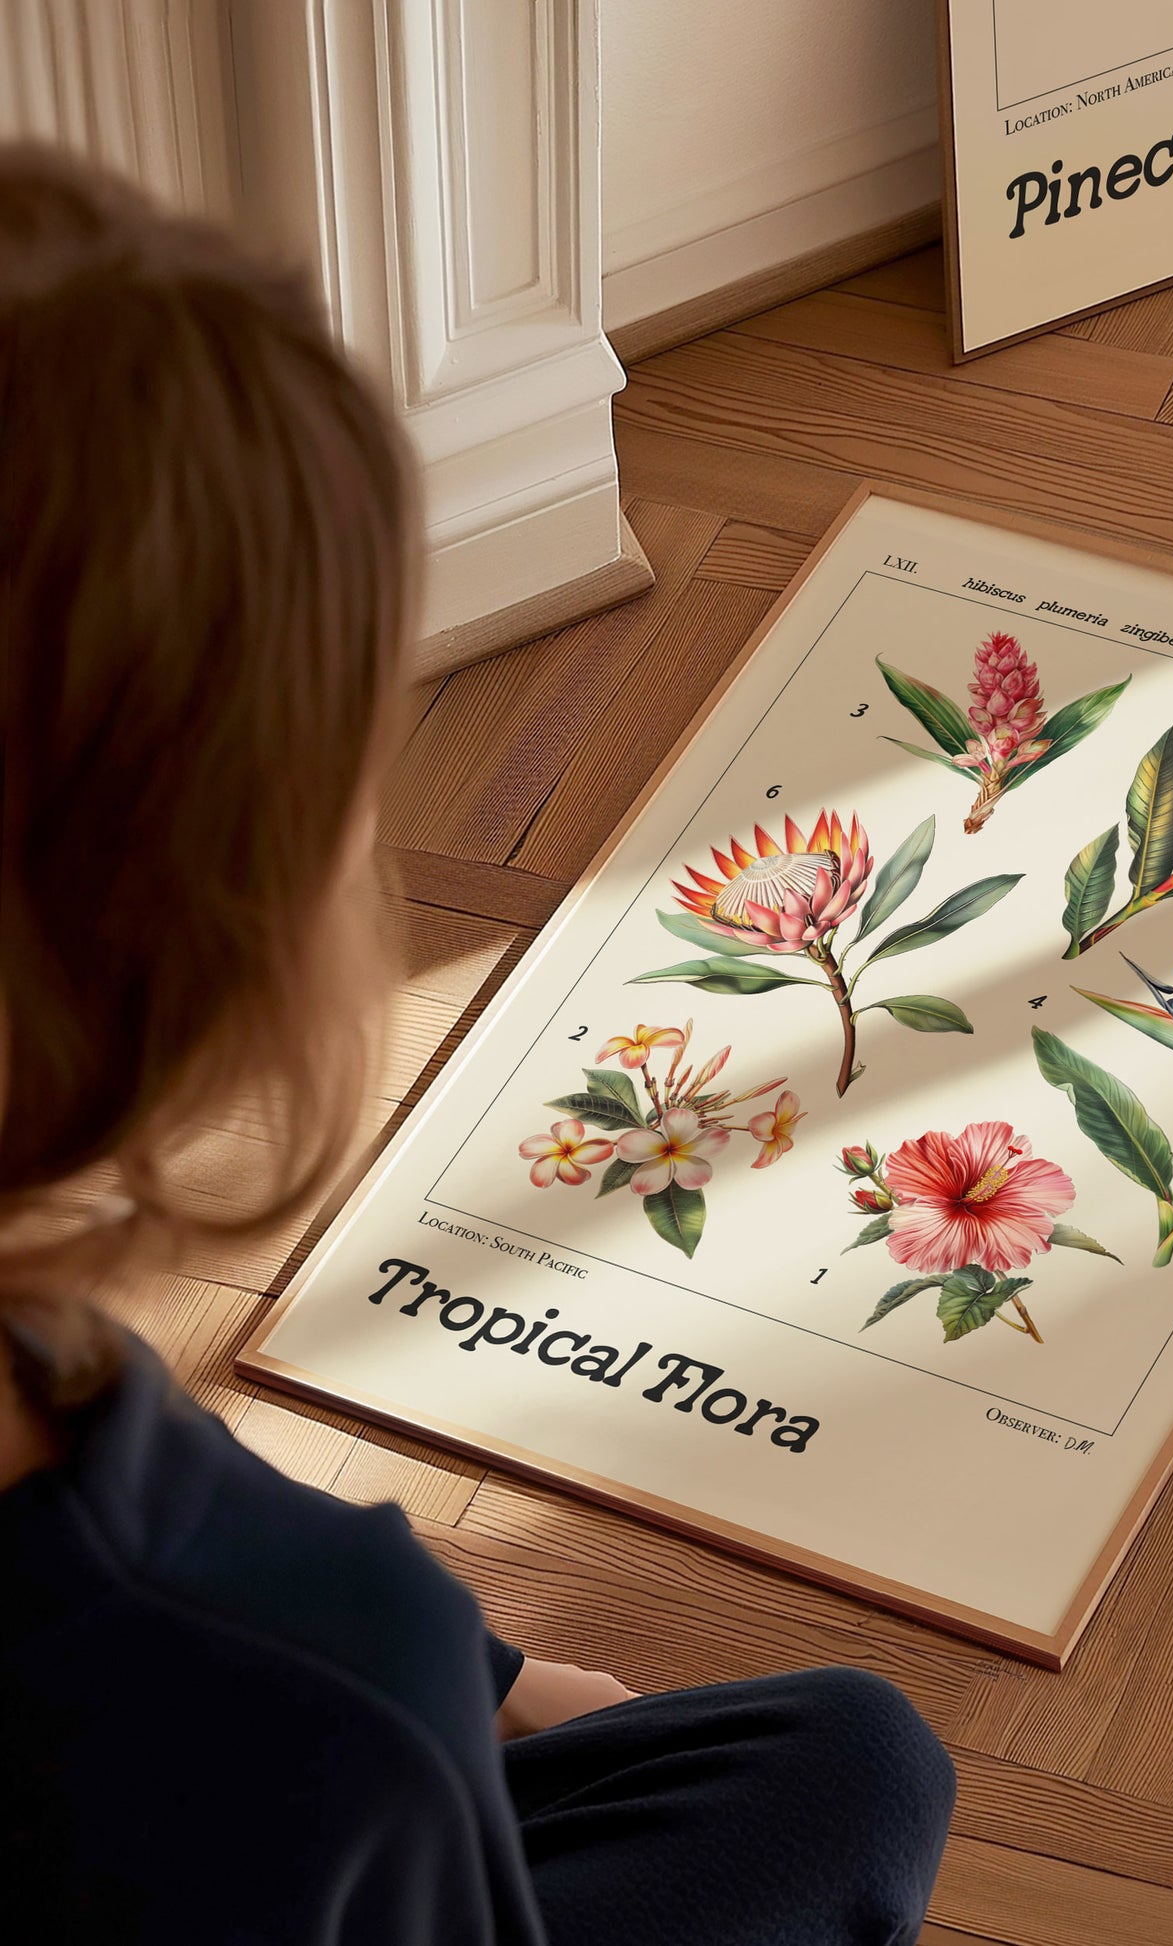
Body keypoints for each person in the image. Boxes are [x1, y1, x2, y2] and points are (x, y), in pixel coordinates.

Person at [0, 145, 956, 1944]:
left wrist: (484, 1667)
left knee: (830, 1762)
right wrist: (432, 1686)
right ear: (213, 933)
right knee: (854, 1769)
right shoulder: (312, 1696)